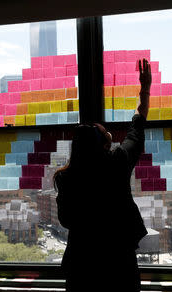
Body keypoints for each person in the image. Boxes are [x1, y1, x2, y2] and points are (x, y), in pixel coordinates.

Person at [53, 59, 152, 292]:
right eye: (104, 131)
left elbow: (66, 220)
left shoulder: (65, 178)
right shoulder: (117, 162)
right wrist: (145, 87)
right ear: (106, 142)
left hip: (81, 266)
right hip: (118, 262)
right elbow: (138, 122)